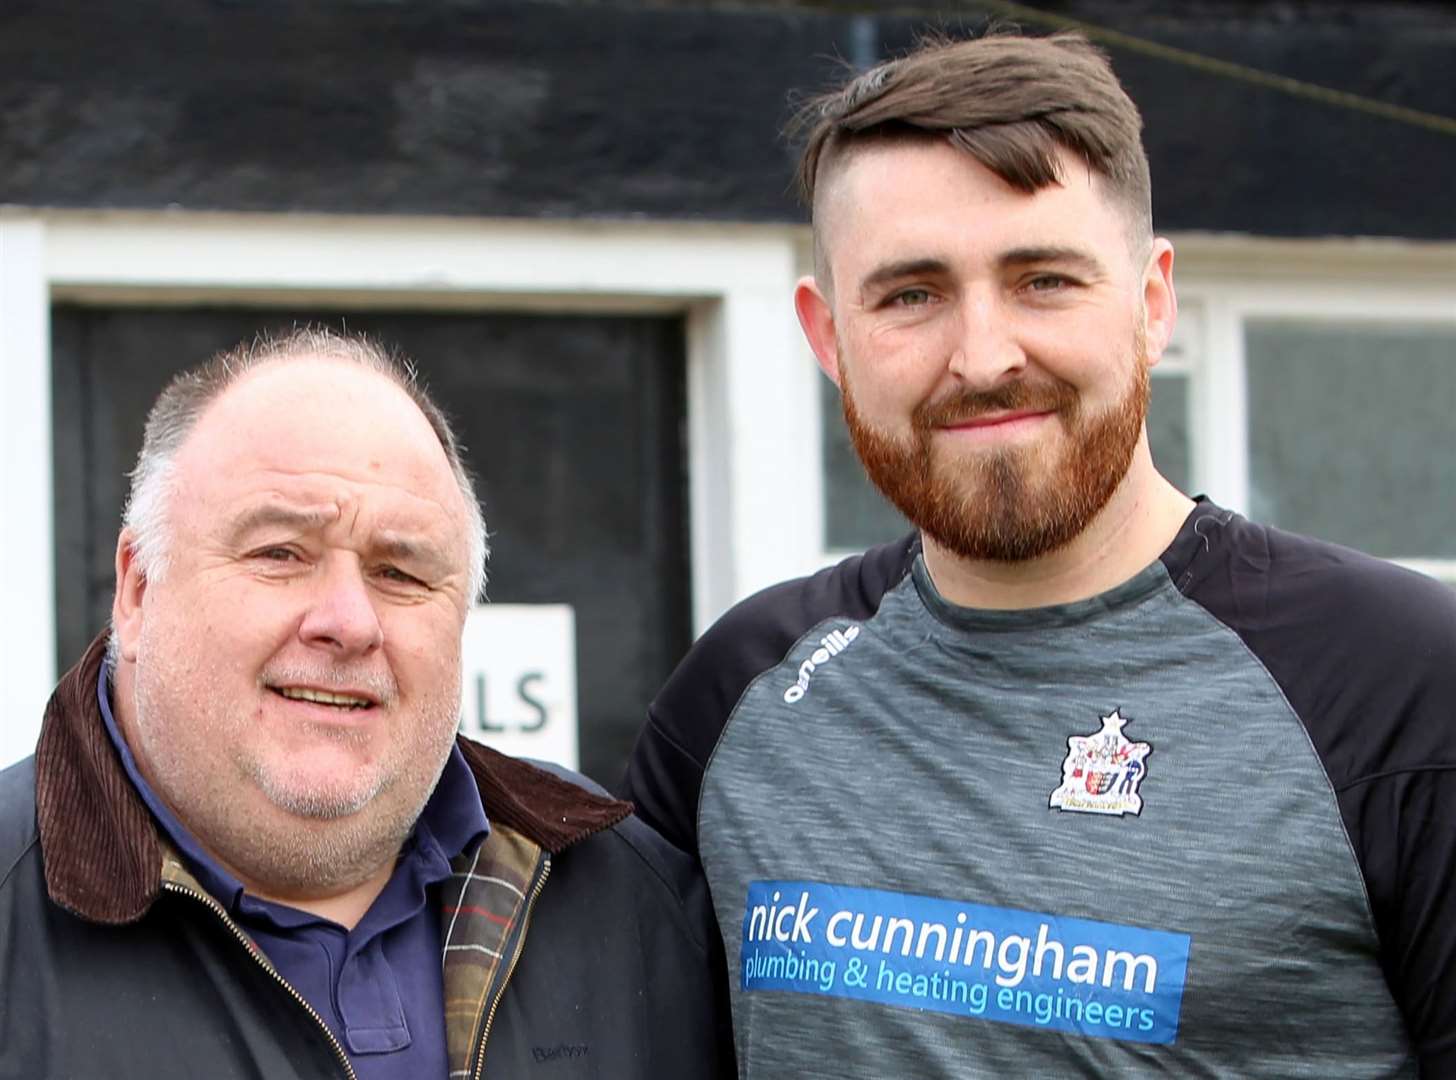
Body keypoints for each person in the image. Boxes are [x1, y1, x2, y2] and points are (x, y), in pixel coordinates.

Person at [622, 31, 1454, 1077]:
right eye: (910, 295)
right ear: (828, 338)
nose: (982, 357)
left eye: (1044, 280)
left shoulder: (1398, 683)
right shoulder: (738, 691)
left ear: (1152, 304)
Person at [0, 328, 733, 1079]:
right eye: (280, 553)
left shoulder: (632, 899)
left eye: (401, 572)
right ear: (138, 589)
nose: (349, 622)